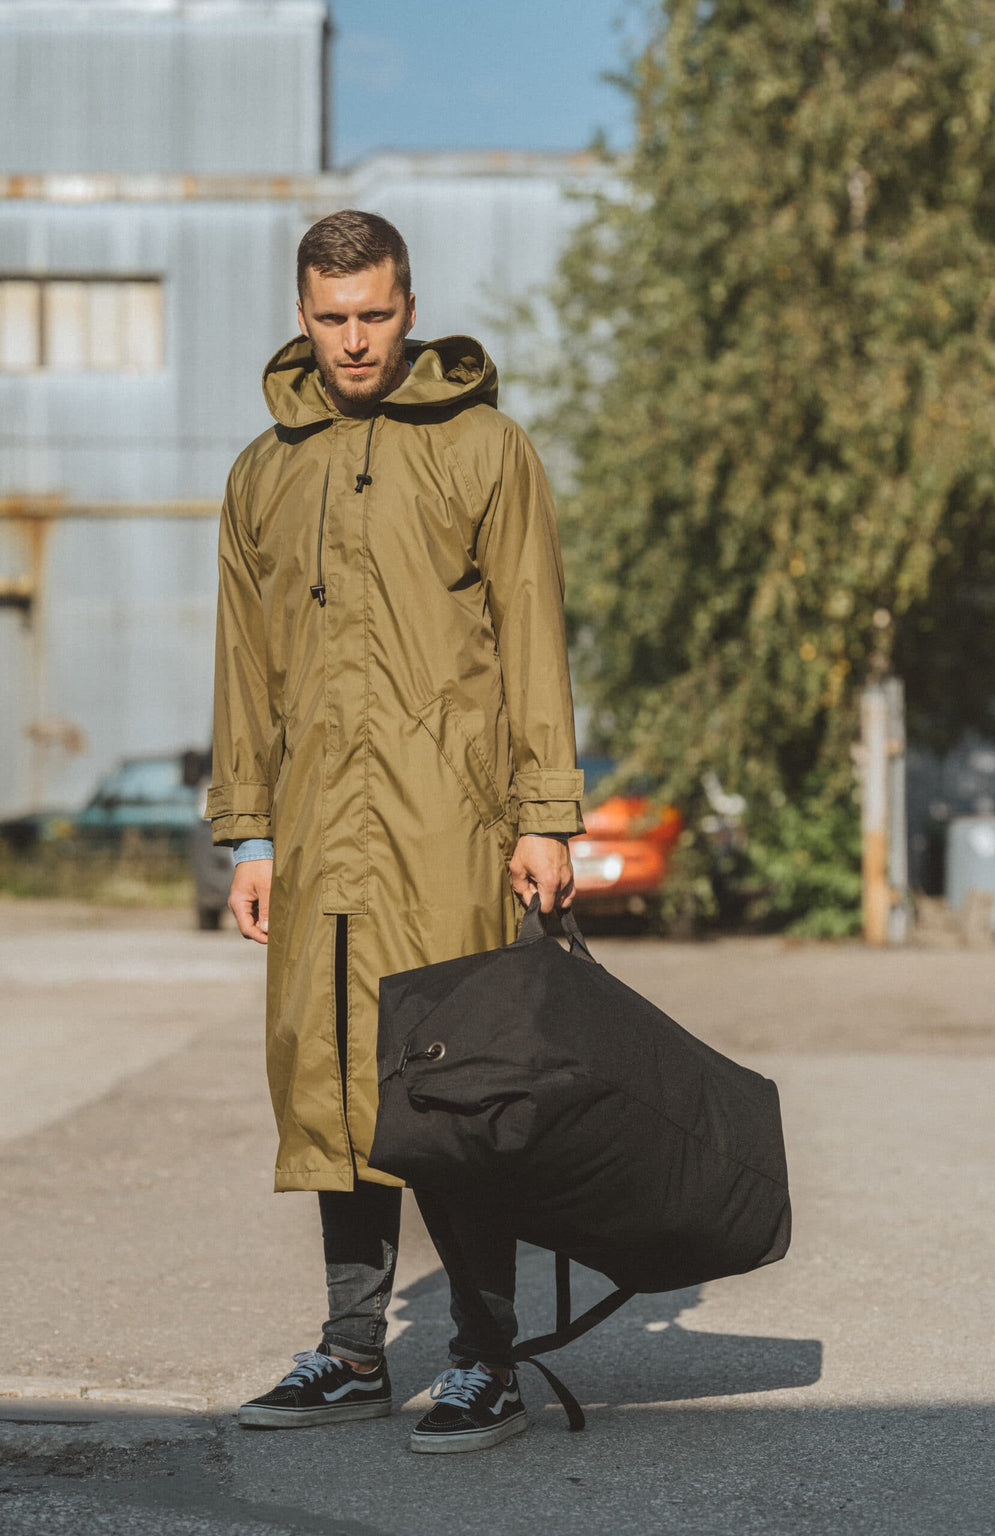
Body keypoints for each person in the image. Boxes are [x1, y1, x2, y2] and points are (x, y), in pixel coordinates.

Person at [206, 209, 583, 1454]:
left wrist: (543, 816)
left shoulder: (485, 451)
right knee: (326, 1084)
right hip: (316, 835)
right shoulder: (265, 470)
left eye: (374, 314)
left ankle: (487, 1361)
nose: (353, 340)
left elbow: (532, 636)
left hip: (448, 830)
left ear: (408, 308)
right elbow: (243, 666)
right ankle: (352, 1351)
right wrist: (249, 834)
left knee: (455, 1091)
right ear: (302, 313)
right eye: (331, 317)